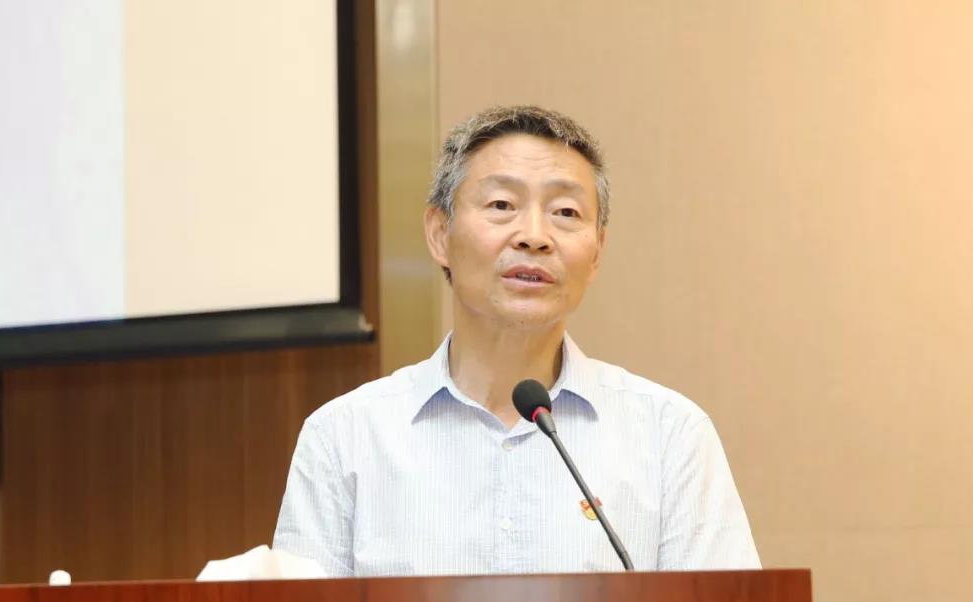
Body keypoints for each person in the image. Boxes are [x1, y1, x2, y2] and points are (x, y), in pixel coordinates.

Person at [273, 105, 760, 576]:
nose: (534, 236)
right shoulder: (345, 437)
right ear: (440, 234)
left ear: (597, 252)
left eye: (565, 212)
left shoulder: (669, 435)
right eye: (502, 205)